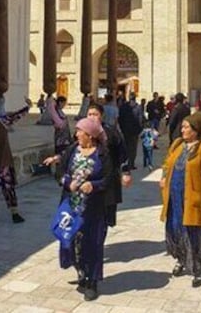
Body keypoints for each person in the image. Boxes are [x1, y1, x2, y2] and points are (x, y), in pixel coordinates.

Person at [44, 118, 111, 302]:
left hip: (93, 209)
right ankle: (80, 271)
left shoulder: (102, 154)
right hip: (71, 206)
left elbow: (109, 180)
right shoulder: (72, 150)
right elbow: (60, 173)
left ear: (90, 136)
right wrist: (67, 182)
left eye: (80, 131)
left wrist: (94, 185)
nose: (76, 134)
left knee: (92, 244)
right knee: (71, 241)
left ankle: (92, 281)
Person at [160, 115, 201, 288]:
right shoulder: (178, 144)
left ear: (196, 130)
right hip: (174, 198)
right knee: (175, 229)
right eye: (183, 126)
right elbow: (167, 163)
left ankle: (198, 268)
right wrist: (164, 177)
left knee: (193, 233)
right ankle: (180, 259)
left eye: (187, 127)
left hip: (192, 199)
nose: (183, 130)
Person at [119, 93, 142, 171]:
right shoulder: (138, 107)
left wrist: (122, 128)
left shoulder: (124, 106)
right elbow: (140, 120)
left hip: (125, 130)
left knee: (126, 146)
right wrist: (139, 130)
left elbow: (120, 118)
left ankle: (125, 163)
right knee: (133, 148)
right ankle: (131, 164)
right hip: (134, 131)